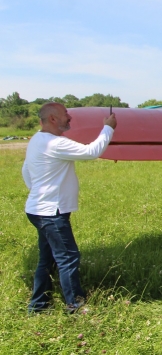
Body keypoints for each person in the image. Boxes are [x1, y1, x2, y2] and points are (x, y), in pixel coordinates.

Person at [22, 102, 117, 313]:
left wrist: (38, 192)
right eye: (65, 114)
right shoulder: (55, 144)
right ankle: (75, 304)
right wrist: (108, 127)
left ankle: (38, 305)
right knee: (68, 257)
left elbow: (26, 171)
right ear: (53, 119)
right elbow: (92, 152)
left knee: (47, 259)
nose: (69, 117)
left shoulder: (37, 140)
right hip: (51, 212)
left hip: (39, 209)